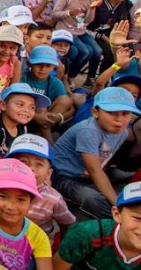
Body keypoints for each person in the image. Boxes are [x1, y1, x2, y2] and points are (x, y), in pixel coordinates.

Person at [53, 87, 141, 220]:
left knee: (125, 175)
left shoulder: (122, 132)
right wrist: (117, 203)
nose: (119, 119)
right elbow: (95, 171)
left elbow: (102, 162)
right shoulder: (89, 131)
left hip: (91, 172)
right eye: (112, 113)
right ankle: (118, 221)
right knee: (90, 197)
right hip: (66, 176)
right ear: (95, 112)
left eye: (125, 113)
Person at [7, 134, 75, 242]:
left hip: (37, 244)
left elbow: (67, 224)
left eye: (38, 164)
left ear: (49, 173)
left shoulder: (53, 199)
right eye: (23, 162)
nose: (30, 169)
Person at [0, 83, 49, 172]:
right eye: (20, 104)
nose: (27, 110)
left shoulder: (23, 127)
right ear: (3, 105)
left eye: (32, 107)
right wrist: (9, 175)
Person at [51, 0, 103, 86]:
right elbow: (54, 14)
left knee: (97, 51)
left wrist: (92, 8)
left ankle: (89, 77)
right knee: (84, 51)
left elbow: (88, 20)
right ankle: (69, 76)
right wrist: (68, 13)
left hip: (81, 31)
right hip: (66, 31)